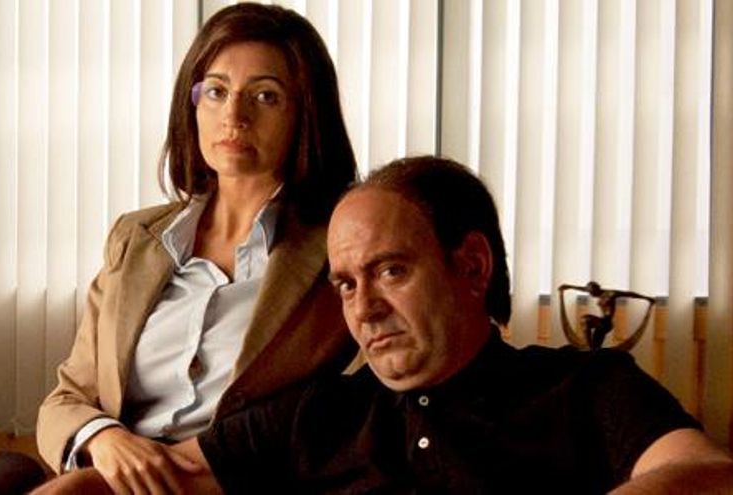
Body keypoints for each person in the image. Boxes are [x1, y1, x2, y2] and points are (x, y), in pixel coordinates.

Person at [107, 155, 730, 493]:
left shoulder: (585, 388)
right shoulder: (316, 416)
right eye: (346, 284)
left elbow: (707, 474)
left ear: (472, 265)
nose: (364, 307)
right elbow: (140, 480)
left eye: (391, 271)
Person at [34, 3, 357, 493]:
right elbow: (67, 399)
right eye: (216, 91)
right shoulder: (135, 238)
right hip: (116, 475)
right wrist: (104, 438)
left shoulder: (340, 245)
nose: (234, 116)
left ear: (305, 114)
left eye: (265, 96)